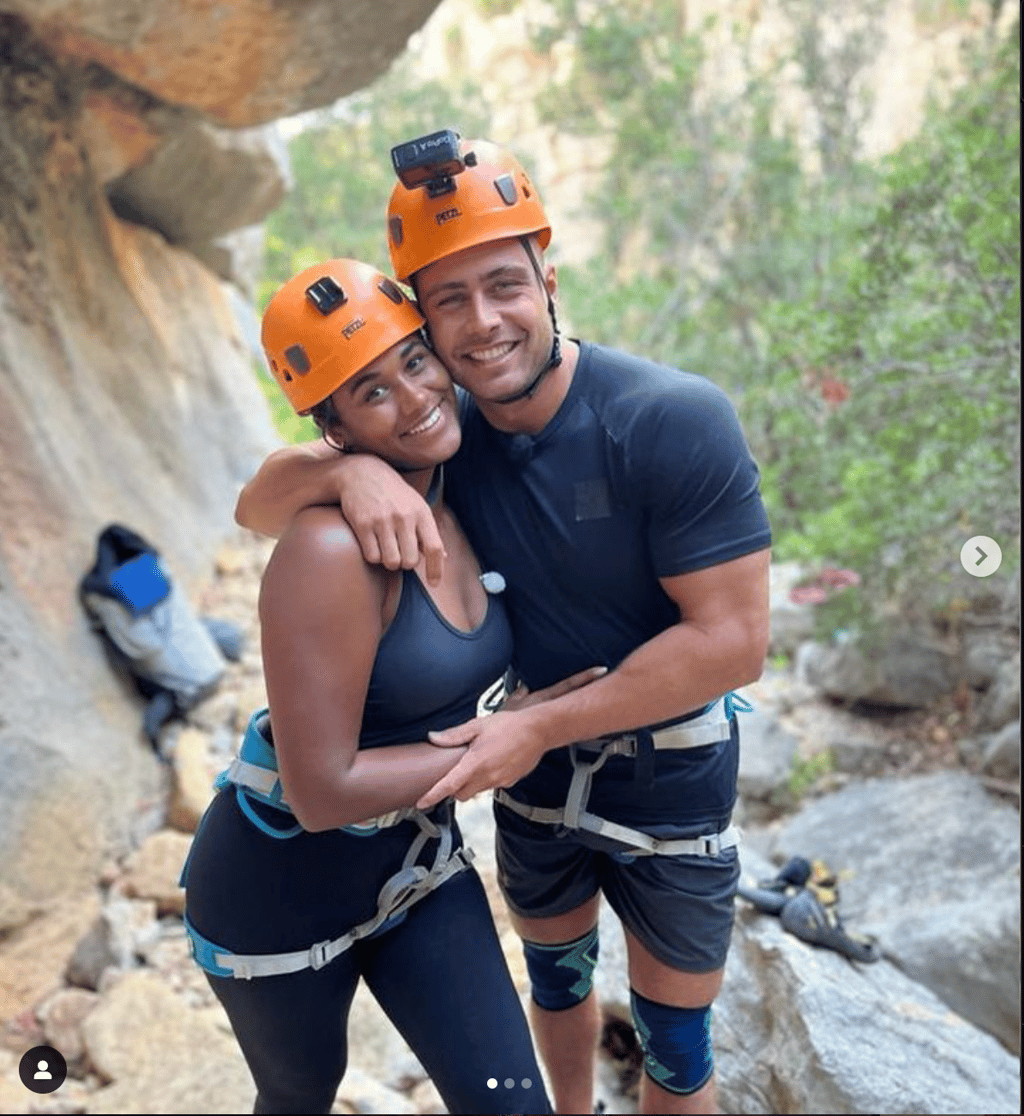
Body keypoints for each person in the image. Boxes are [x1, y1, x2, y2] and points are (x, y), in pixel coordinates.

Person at [235, 136, 773, 1115]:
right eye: (448, 301)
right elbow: (258, 504)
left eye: (502, 286)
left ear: (548, 280)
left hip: (666, 771)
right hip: (530, 787)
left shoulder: (670, 418)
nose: (481, 325)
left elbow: (733, 644)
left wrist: (533, 728)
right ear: (422, 321)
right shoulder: (444, 432)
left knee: (676, 1044)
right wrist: (340, 468)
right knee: (558, 985)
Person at [183, 258, 565, 1116]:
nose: (415, 397)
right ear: (337, 427)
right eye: (370, 392)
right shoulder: (329, 550)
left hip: (417, 870)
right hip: (273, 895)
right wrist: (513, 740)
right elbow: (322, 792)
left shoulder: (465, 474)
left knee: (513, 1105)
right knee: (297, 1096)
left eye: (415, 362)